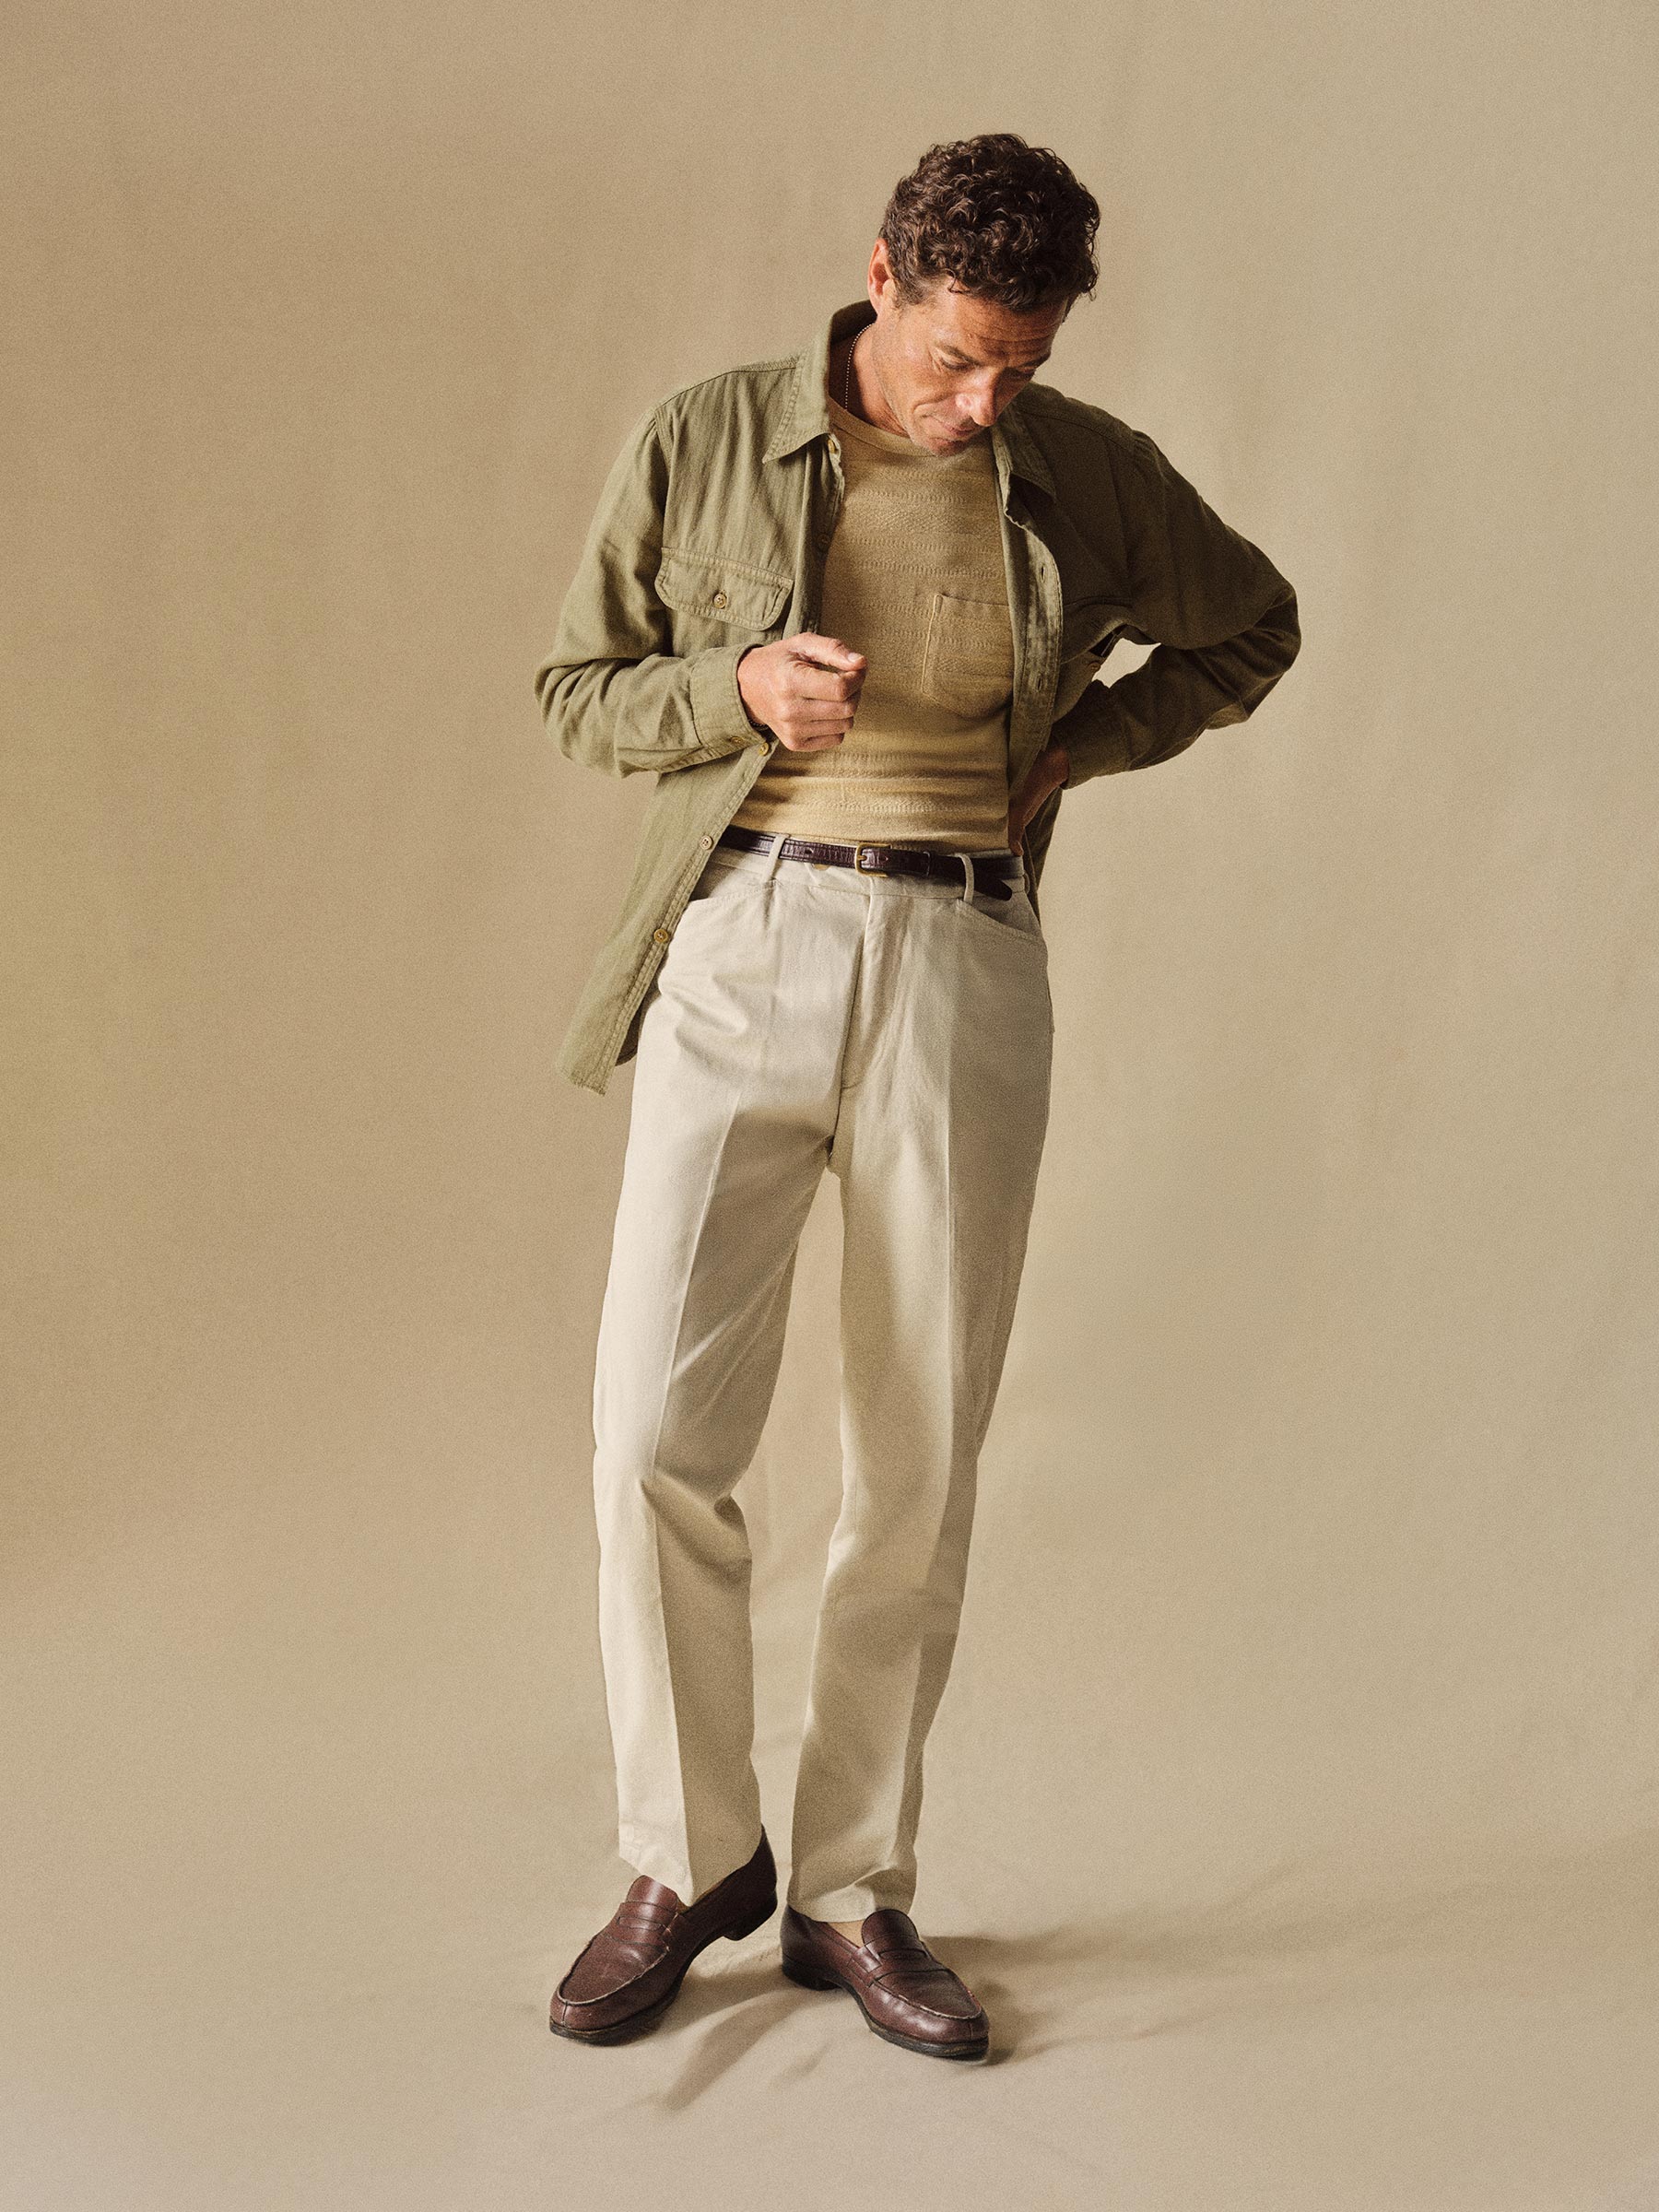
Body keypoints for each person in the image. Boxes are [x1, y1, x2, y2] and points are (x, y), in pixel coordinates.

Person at [535, 133, 1300, 2061]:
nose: (982, 403)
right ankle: (691, 1856)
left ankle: (851, 1890)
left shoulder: (1088, 472)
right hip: (744, 940)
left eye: (1020, 368)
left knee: (920, 1453)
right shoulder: (710, 437)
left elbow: (1252, 622)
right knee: (651, 1436)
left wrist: (1084, 747)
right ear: (882, 275)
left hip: (961, 953)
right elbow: (577, 688)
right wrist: (732, 690)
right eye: (958, 356)